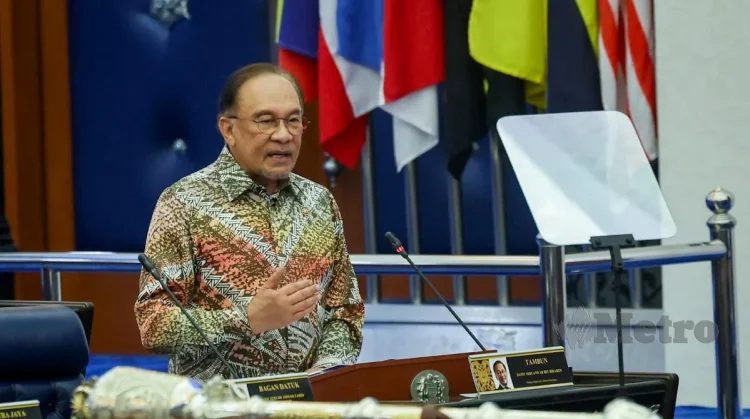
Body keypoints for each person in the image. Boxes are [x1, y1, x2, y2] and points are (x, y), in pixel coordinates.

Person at [134, 63, 365, 380]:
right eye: (266, 121)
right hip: (221, 401)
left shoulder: (319, 202)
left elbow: (345, 311)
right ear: (228, 129)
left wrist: (324, 374)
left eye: (293, 121)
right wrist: (247, 319)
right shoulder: (184, 203)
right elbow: (154, 323)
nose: (283, 135)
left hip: (310, 400)